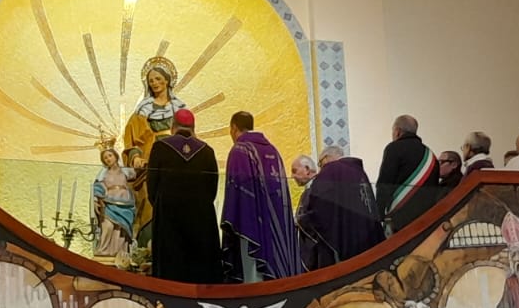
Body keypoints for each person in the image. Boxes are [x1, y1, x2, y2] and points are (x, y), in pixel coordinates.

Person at [221, 111, 299, 281]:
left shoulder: (239, 150)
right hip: (275, 223)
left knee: (253, 276)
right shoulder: (273, 150)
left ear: (234, 128)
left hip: (250, 224)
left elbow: (236, 193)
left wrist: (229, 222)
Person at [147, 108, 223, 283]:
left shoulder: (160, 147)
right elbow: (212, 189)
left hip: (169, 219)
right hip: (200, 219)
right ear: (193, 128)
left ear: (173, 127)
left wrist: (160, 206)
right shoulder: (207, 151)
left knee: (171, 271)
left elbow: (152, 186)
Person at [124, 57, 185, 243]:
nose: (155, 83)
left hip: (175, 165)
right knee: (149, 203)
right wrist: (135, 156)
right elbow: (132, 139)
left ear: (167, 80)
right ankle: (148, 249)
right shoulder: (143, 110)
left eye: (158, 79)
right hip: (150, 165)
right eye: (151, 81)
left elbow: (189, 136)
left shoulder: (179, 109)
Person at [295, 145, 384, 271]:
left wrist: (304, 219)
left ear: (326, 158)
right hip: (366, 234)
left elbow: (318, 204)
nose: (320, 169)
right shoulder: (358, 171)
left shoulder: (331, 169)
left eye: (320, 164)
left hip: (348, 241)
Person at [376, 114, 440, 235]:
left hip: (400, 218)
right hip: (425, 218)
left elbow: (385, 182)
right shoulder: (431, 155)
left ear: (397, 131)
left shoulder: (394, 148)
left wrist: (379, 213)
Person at [91, 148, 137, 257]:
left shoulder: (125, 171)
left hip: (125, 204)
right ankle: (103, 250)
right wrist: (95, 199)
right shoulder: (103, 174)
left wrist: (136, 157)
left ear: (116, 156)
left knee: (121, 229)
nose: (108, 159)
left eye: (110, 155)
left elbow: (137, 172)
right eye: (105, 158)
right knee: (107, 226)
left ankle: (119, 253)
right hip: (109, 202)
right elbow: (98, 186)